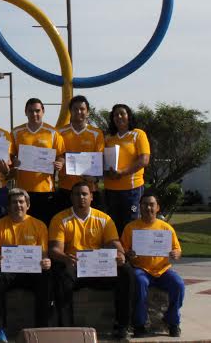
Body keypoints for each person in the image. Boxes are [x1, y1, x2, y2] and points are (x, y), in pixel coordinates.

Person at [48, 181, 134, 339]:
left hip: (98, 268)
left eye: (84, 194)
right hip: (74, 267)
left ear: (91, 197)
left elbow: (113, 242)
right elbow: (54, 250)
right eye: (76, 194)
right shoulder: (60, 219)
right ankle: (67, 330)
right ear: (71, 197)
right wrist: (65, 258)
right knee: (61, 277)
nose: (81, 197)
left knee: (126, 271)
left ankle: (122, 325)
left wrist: (121, 255)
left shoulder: (103, 219)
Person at [0, 188, 52, 343]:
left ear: (28, 205)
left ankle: (41, 329)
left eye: (21, 202)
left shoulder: (39, 225)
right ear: (8, 206)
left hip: (31, 271)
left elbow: (44, 255)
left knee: (47, 276)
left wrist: (46, 262)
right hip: (7, 271)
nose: (18, 205)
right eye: (14, 202)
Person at [121, 192, 184, 337]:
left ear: (157, 208)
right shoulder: (131, 227)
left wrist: (176, 254)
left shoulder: (166, 228)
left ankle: (172, 322)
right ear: (139, 207)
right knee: (139, 281)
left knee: (178, 284)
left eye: (151, 204)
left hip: (163, 270)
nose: (148, 207)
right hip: (141, 269)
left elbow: (177, 249)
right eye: (144, 204)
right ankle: (139, 324)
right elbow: (122, 248)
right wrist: (128, 253)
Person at [11, 98, 65, 225]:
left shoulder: (53, 132)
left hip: (46, 190)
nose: (34, 114)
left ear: (43, 111)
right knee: (23, 226)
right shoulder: (16, 132)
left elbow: (61, 155)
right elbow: (10, 156)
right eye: (31, 111)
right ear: (25, 112)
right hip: (22, 191)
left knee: (44, 226)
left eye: (37, 111)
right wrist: (14, 162)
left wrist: (60, 163)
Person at [104, 103, 151, 234]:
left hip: (132, 190)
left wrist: (123, 172)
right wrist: (106, 173)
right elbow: (100, 160)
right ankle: (117, 254)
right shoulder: (108, 138)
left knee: (131, 226)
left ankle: (130, 254)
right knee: (112, 227)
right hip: (110, 190)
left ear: (128, 116)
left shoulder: (138, 134)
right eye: (115, 115)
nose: (119, 117)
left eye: (122, 113)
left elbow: (144, 160)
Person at [57, 95, 105, 213]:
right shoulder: (59, 132)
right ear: (70, 111)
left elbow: (100, 159)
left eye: (82, 109)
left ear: (88, 112)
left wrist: (95, 177)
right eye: (75, 109)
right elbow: (58, 156)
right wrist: (59, 162)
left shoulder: (96, 133)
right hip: (66, 187)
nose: (79, 112)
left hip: (89, 188)